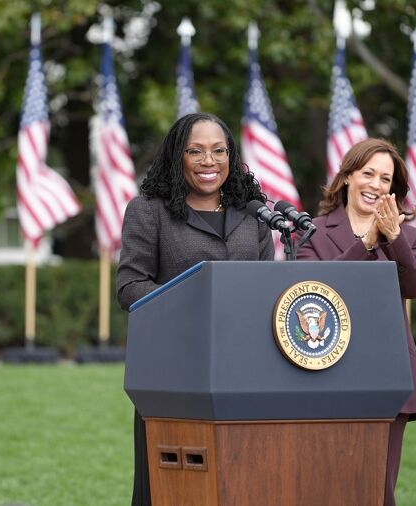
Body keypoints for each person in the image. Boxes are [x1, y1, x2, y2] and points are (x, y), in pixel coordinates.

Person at [117, 112, 274, 505]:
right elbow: (130, 285)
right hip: (175, 368)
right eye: (196, 151)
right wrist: (193, 302)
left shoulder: (253, 213)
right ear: (177, 156)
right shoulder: (149, 210)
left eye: (219, 151)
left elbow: (267, 284)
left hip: (244, 367)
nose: (209, 161)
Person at [296, 137, 416, 506]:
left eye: (385, 179)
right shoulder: (311, 232)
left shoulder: (409, 236)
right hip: (326, 371)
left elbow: (415, 286)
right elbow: (316, 289)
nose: (375, 184)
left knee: (377, 490)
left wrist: (392, 238)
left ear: (393, 189)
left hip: (389, 372)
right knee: (326, 485)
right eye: (368, 173)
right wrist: (365, 244)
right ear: (346, 178)